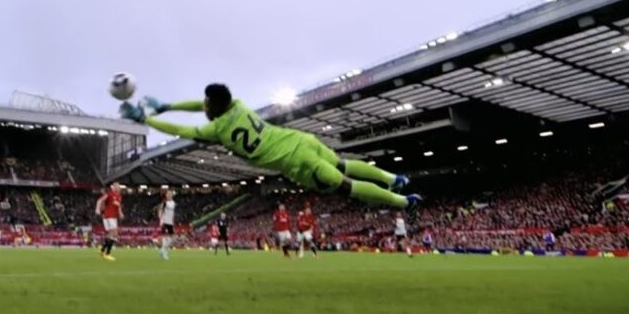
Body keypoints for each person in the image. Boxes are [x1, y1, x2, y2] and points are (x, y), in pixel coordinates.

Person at [119, 84, 420, 214]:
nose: (203, 106)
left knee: (345, 185)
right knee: (342, 164)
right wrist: (167, 105)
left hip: (298, 163)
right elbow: (202, 105)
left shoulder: (216, 130)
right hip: (301, 139)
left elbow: (182, 131)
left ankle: (402, 201)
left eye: (207, 104)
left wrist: (147, 118)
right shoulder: (237, 104)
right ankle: (394, 178)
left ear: (214, 107)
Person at [96, 183, 123, 261]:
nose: (118, 188)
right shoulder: (109, 194)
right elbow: (100, 200)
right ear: (113, 187)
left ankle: (102, 250)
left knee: (111, 234)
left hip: (113, 217)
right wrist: (97, 209)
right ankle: (107, 254)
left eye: (119, 187)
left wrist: (120, 213)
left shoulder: (119, 196)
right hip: (109, 216)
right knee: (114, 234)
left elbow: (118, 206)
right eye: (117, 187)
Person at [157, 189, 176, 260]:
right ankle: (164, 253)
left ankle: (162, 250)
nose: (169, 195)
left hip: (170, 222)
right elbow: (160, 210)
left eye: (171, 194)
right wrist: (160, 218)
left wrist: (173, 222)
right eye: (168, 194)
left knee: (173, 238)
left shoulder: (173, 203)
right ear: (166, 195)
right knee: (165, 237)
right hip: (165, 221)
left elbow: (173, 213)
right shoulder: (165, 203)